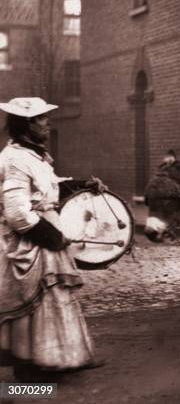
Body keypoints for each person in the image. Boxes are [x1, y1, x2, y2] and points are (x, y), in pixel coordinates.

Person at [0, 97, 103, 381]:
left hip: (44, 235)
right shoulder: (15, 159)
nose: (48, 123)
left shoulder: (33, 155)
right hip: (30, 241)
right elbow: (17, 213)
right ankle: (29, 375)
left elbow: (48, 189)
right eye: (42, 119)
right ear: (27, 124)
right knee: (35, 302)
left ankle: (55, 358)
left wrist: (83, 185)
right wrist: (52, 236)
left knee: (53, 297)